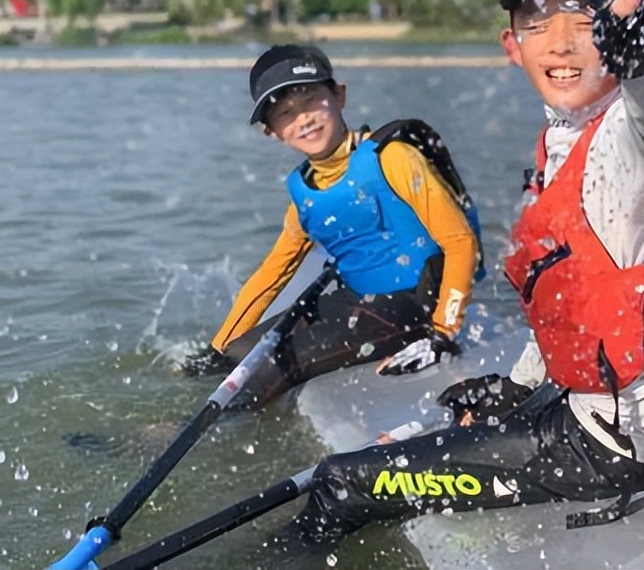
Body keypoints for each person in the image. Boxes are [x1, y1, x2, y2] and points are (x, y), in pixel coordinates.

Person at [279, 0, 644, 545]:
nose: (560, 43)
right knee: (461, 409)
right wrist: (522, 384)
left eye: (585, 18)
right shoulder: (567, 130)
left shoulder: (634, 126)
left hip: (617, 445)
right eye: (537, 23)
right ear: (511, 45)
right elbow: (576, 294)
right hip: (592, 404)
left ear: (621, 26)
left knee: (344, 484)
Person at [196, 43, 485, 408]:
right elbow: (272, 274)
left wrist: (444, 332)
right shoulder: (303, 194)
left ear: (339, 95)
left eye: (311, 101)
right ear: (272, 132)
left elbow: (459, 241)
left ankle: (184, 433)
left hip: (412, 307)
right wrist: (218, 347)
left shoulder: (393, 157)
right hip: (354, 301)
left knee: (261, 373)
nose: (303, 118)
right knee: (237, 356)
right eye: (286, 113)